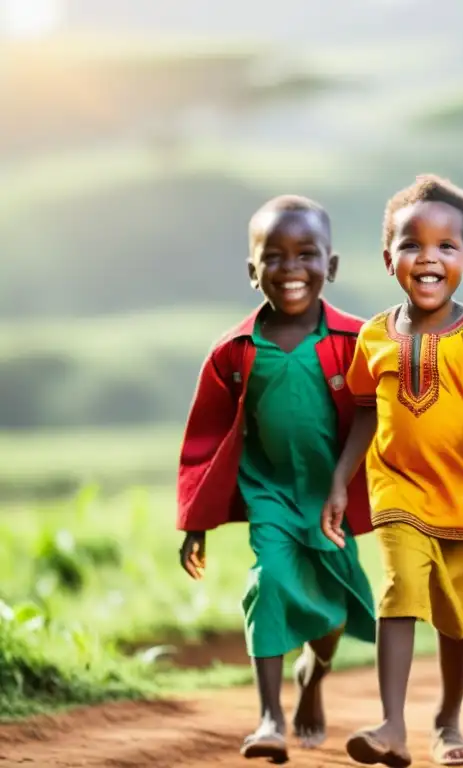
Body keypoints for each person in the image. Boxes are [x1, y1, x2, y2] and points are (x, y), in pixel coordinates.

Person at [321, 175, 463, 768]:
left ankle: (448, 719)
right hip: (397, 489)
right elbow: (366, 415)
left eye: (446, 247)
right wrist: (342, 478)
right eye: (412, 244)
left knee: (453, 612)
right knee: (401, 589)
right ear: (389, 258)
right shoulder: (373, 337)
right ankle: (392, 724)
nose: (428, 258)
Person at [176, 195, 378, 763]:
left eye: (306, 255)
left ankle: (314, 677)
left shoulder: (355, 341)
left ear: (331, 266)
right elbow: (205, 439)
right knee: (268, 585)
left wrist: (344, 481)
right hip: (267, 494)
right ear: (252, 271)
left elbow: (373, 410)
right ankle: (270, 716)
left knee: (335, 609)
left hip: (329, 496)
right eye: (274, 257)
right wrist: (197, 522)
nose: (291, 270)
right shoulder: (234, 352)